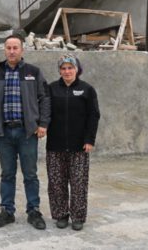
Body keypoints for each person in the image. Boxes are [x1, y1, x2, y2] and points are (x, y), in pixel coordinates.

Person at [0, 34, 51, 230]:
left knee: (30, 174)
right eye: (8, 48)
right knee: (7, 174)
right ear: (4, 50)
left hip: (27, 133)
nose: (12, 51)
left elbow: (45, 98)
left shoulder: (33, 72)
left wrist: (43, 123)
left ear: (22, 50)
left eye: (15, 48)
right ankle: (7, 211)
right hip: (4, 133)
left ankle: (33, 211)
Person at [46, 54, 100, 231]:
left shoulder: (87, 89)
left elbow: (93, 116)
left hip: (79, 146)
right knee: (56, 183)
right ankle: (61, 215)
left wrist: (89, 139)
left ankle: (78, 217)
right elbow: (45, 112)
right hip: (55, 145)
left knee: (78, 184)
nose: (67, 71)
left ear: (77, 69)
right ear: (59, 71)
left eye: (70, 68)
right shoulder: (52, 89)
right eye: (63, 68)